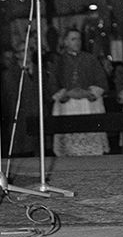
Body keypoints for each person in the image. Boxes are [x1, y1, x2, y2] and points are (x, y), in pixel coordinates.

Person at [47, 27, 109, 157]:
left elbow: (102, 82)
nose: (77, 42)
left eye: (79, 39)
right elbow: (52, 85)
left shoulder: (90, 59)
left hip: (88, 105)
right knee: (69, 148)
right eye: (73, 39)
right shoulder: (58, 61)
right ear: (65, 41)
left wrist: (87, 93)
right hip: (67, 106)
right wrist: (67, 94)